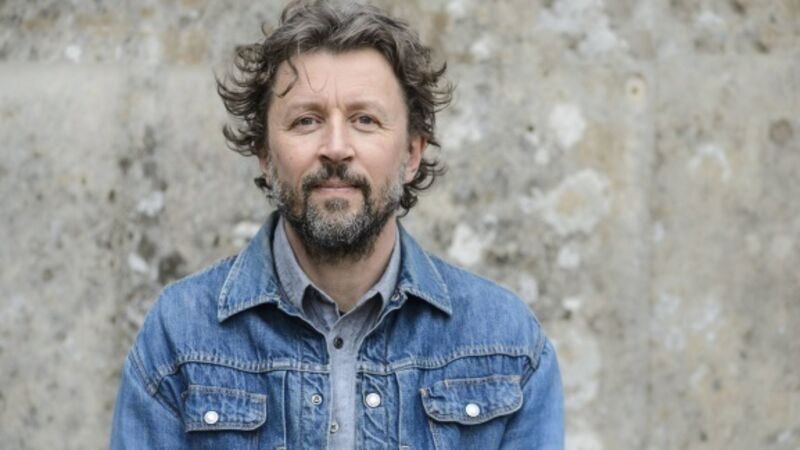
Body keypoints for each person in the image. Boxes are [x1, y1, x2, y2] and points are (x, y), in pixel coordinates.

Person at [110, 1, 563, 448]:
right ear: (265, 155)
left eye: (365, 120)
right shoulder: (180, 334)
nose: (336, 147)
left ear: (411, 154)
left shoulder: (506, 343)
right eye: (306, 120)